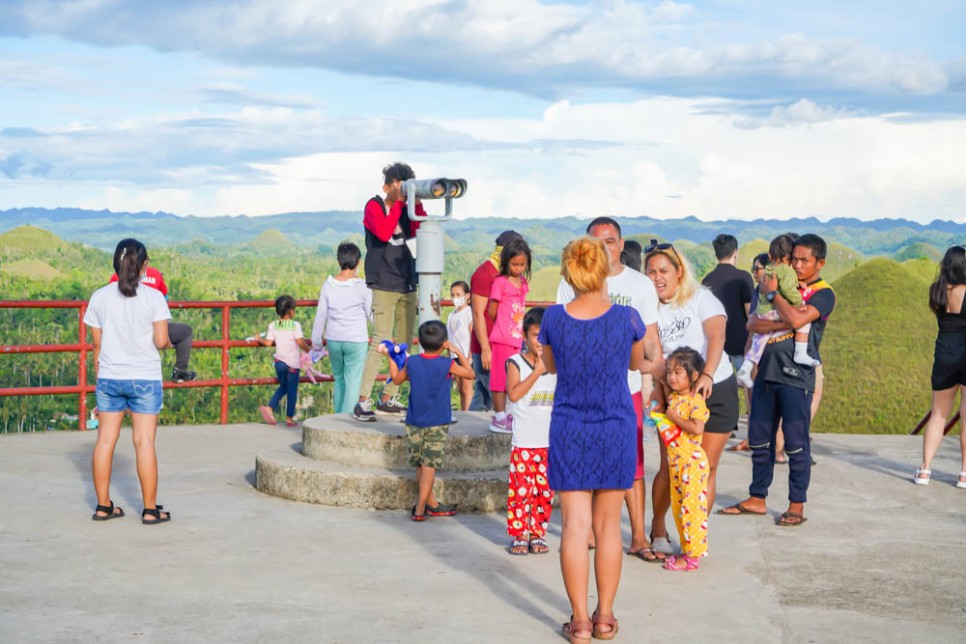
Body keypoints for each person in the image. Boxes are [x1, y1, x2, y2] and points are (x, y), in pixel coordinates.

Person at [540, 236, 646, 642]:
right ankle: (605, 617)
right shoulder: (627, 318)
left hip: (569, 426)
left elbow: (550, 367)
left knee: (574, 527)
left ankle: (580, 620)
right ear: (603, 268)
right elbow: (635, 362)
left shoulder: (552, 319)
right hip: (616, 425)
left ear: (570, 271)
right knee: (606, 529)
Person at [556, 217, 663, 562]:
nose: (605, 248)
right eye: (597, 242)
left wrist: (655, 383)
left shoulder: (640, 286)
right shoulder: (620, 313)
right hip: (592, 394)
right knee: (601, 516)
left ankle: (639, 535)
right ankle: (603, 609)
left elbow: (651, 342)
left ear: (621, 243)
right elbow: (636, 356)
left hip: (620, 392)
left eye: (611, 241)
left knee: (633, 468)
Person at [720, 234, 836, 526]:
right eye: (794, 258)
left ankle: (796, 504)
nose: (797, 265)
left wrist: (775, 298)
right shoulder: (781, 282)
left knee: (796, 444)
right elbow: (753, 323)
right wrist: (793, 317)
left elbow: (798, 321)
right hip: (766, 374)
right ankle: (757, 498)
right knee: (759, 440)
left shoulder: (824, 293)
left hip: (797, 377)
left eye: (804, 260)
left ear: (820, 263)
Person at [644, 238, 738, 555]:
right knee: (671, 466)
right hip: (676, 395)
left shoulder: (702, 299)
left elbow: (717, 336)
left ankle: (691, 536)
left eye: (663, 270)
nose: (657, 277)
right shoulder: (650, 307)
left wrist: (708, 374)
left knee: (705, 468)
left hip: (717, 386)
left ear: (679, 270)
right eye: (651, 272)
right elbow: (655, 354)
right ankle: (658, 528)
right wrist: (660, 392)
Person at [85, 238, 172, 525]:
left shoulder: (98, 297)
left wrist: (101, 377)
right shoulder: (154, 297)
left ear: (115, 263)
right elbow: (161, 341)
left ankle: (103, 506)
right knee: (144, 442)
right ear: (145, 265)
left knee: (105, 441)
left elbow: (97, 346)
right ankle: (149, 510)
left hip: (110, 376)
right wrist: (171, 344)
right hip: (144, 377)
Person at [380, 320, 475, 520]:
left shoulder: (412, 362)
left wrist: (390, 357)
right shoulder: (447, 364)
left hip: (414, 421)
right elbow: (470, 373)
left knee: (420, 465)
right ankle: (421, 508)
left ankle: (430, 503)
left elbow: (396, 379)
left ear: (421, 343)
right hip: (438, 423)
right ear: (443, 344)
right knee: (429, 465)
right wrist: (457, 351)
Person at [354, 162, 426, 422]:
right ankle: (363, 401)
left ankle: (388, 397)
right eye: (400, 185)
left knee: (405, 344)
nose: (403, 190)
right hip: (384, 283)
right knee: (381, 341)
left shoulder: (408, 210)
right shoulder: (374, 206)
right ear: (387, 186)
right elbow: (384, 233)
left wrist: (415, 204)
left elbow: (421, 232)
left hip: (407, 281)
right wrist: (397, 203)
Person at [735, 234, 820, 389]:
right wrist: (798, 301)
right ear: (791, 258)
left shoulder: (768, 270)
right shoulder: (787, 271)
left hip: (762, 312)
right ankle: (801, 352)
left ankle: (745, 369)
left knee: (759, 342)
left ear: (770, 256)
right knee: (803, 322)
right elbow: (787, 289)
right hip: (774, 312)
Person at [505, 307, 555, 556]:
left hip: (548, 441)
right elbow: (513, 394)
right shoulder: (515, 363)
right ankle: (519, 534)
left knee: (544, 492)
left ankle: (537, 533)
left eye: (544, 336)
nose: (540, 341)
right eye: (535, 335)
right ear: (525, 336)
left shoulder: (557, 365)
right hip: (524, 440)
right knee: (521, 491)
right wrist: (537, 371)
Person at [914, 244, 966, 487]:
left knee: (938, 413)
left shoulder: (936, 290)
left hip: (945, 351)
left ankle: (925, 470)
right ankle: (964, 473)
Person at [657, 346, 710, 572]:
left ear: (694, 376)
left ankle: (692, 557)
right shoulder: (675, 397)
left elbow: (697, 428)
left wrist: (674, 417)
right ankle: (687, 548)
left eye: (678, 373)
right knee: (680, 509)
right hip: (677, 465)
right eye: (670, 371)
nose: (671, 377)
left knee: (692, 510)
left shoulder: (695, 401)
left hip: (692, 465)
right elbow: (663, 382)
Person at [311, 242, 372, 415]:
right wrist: (384, 335)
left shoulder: (328, 284)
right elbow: (371, 314)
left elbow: (320, 316)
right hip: (356, 339)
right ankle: (345, 423)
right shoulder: (362, 286)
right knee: (353, 381)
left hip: (333, 339)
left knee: (339, 380)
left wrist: (316, 344)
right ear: (358, 262)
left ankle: (337, 419)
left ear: (339, 260)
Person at [109, 265, 196, 382]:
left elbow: (109, 299)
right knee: (186, 332)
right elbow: (164, 299)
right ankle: (180, 371)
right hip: (151, 331)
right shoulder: (155, 274)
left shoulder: (117, 276)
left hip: (125, 332)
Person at [470, 230, 524, 413]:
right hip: (490, 346)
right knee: (498, 391)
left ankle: (470, 431)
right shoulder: (484, 274)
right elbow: (478, 314)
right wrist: (486, 349)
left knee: (483, 394)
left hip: (508, 343)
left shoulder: (509, 274)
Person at [487, 237, 532, 433]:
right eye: (515, 264)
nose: (519, 268)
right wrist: (503, 325)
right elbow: (492, 309)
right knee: (499, 379)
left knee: (512, 377)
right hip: (502, 338)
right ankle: (498, 416)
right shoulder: (501, 282)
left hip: (516, 338)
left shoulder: (522, 282)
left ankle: (507, 413)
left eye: (522, 265)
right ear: (506, 262)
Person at [701, 234, 754, 379]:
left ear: (716, 254)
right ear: (735, 253)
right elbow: (751, 314)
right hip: (741, 344)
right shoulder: (743, 277)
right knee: (750, 387)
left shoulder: (707, 280)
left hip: (715, 345)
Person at [256, 295, 312, 427]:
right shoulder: (295, 325)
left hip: (279, 363)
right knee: (291, 390)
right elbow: (300, 341)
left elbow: (268, 342)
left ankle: (270, 408)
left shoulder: (273, 325)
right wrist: (311, 351)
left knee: (283, 387)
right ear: (291, 311)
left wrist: (258, 339)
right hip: (292, 363)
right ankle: (289, 419)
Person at [446, 280, 474, 411]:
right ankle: (464, 412)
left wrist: (470, 356)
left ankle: (468, 414)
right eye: (453, 295)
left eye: (458, 294)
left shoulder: (469, 313)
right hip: (454, 357)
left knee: (467, 388)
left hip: (466, 356)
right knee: (461, 389)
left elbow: (472, 335)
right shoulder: (451, 315)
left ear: (467, 296)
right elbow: (449, 337)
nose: (455, 298)